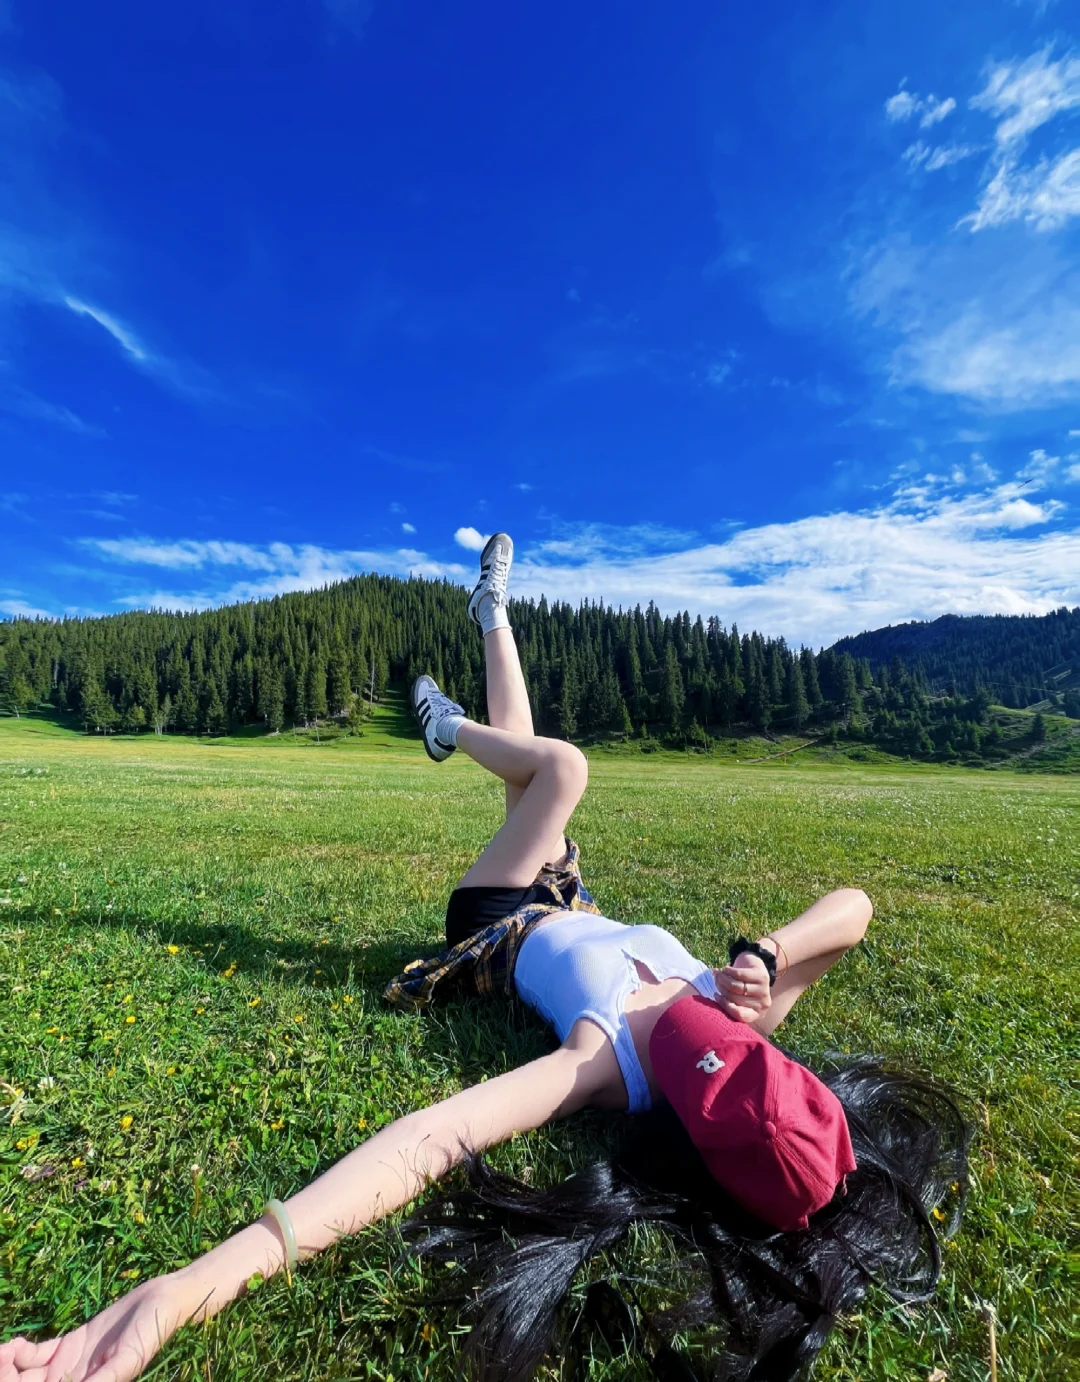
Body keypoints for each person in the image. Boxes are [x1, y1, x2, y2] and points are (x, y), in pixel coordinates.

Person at [0, 534, 970, 1382]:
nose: (716, 1029)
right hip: (568, 898)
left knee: (559, 768)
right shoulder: (741, 1008)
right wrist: (774, 946)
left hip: (500, 919)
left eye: (712, 1063)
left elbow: (434, 1137)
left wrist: (192, 1284)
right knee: (538, 771)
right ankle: (489, 611)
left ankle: (443, 727)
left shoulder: (605, 1065)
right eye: (741, 1046)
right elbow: (858, 906)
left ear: (691, 1124)